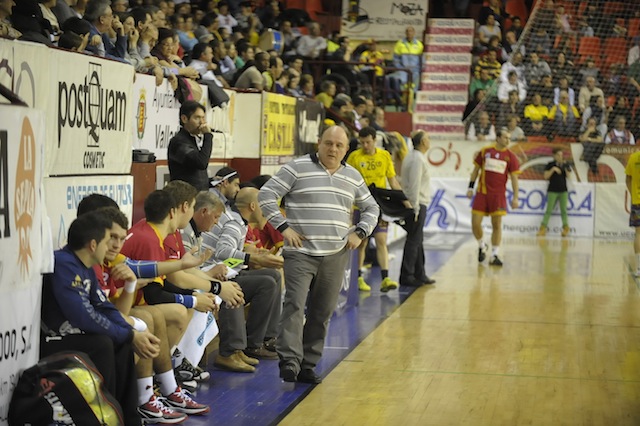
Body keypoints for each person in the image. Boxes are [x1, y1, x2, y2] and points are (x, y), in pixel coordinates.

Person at [258, 126, 379, 384]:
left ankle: (307, 365)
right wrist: (283, 228)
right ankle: (289, 360)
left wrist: (360, 232)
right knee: (294, 305)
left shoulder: (353, 176)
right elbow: (266, 195)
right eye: (328, 143)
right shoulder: (296, 168)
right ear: (318, 143)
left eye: (339, 145)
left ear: (346, 150)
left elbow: (372, 207)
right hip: (300, 253)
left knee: (321, 313)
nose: (333, 149)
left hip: (336, 254)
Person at [41, 211, 161, 426]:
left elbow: (104, 307)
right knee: (103, 343)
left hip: (73, 336)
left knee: (121, 344)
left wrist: (131, 334)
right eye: (109, 241)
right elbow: (83, 317)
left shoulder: (85, 268)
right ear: (94, 245)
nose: (112, 247)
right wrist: (129, 334)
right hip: (51, 340)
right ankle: (103, 418)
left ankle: (126, 419)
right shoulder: (64, 264)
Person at [346, 126, 410, 292]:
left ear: (375, 140)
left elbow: (393, 181)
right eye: (362, 143)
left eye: (368, 142)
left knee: (381, 240)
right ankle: (358, 277)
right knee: (362, 242)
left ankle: (385, 278)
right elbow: (348, 183)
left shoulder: (385, 156)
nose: (365, 146)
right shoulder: (354, 157)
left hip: (379, 206)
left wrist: (405, 202)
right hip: (360, 205)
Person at [466, 129, 520, 266]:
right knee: (475, 223)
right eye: (505, 137)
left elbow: (514, 179)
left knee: (497, 225)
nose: (508, 140)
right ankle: (482, 245)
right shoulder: (485, 151)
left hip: (498, 196)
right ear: (498, 138)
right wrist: (470, 188)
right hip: (482, 193)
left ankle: (495, 254)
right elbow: (475, 171)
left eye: (509, 138)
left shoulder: (511, 157)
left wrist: (515, 197)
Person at [400, 131, 436, 287]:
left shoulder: (415, 157)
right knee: (413, 241)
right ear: (422, 142)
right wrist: (414, 208)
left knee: (417, 240)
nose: (430, 140)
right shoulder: (416, 159)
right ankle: (406, 275)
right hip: (417, 204)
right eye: (428, 138)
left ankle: (419, 273)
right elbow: (414, 185)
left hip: (418, 203)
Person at [168, 100, 213, 191]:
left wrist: (211, 181)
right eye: (197, 118)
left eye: (203, 118)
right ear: (184, 119)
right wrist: (208, 136)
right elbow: (201, 163)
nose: (202, 122)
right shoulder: (178, 142)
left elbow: (193, 172)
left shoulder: (192, 139)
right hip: (185, 196)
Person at [537, 148, 571, 237]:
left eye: (561, 155)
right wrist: (553, 169)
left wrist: (565, 167)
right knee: (549, 210)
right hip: (552, 190)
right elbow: (545, 176)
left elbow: (568, 176)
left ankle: (566, 228)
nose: (560, 157)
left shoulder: (565, 164)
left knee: (563, 210)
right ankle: (543, 228)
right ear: (554, 155)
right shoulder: (550, 165)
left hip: (563, 190)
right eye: (558, 155)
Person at [392, 26, 424, 91]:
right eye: (407, 31)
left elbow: (422, 60)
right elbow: (396, 59)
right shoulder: (399, 44)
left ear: (414, 33)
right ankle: (402, 99)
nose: (409, 33)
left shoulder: (419, 44)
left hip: (415, 70)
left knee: (414, 88)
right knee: (402, 86)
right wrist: (400, 68)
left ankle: (413, 98)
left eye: (411, 31)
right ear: (405, 33)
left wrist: (419, 69)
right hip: (403, 70)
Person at [625, 150, 640, 276]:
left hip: (637, 201)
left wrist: (633, 194)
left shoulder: (633, 157)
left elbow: (628, 179)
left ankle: (639, 268)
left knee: (638, 233)